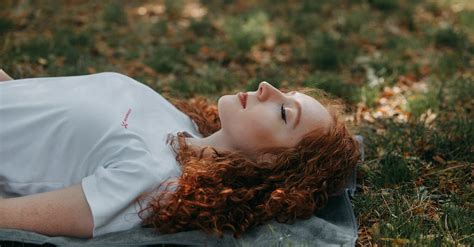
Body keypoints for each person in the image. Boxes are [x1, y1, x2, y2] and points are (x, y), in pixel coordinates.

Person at [0, 71, 360, 239]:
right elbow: (35, 109)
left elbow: (10, 215)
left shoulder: (155, 180)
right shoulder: (180, 122)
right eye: (287, 93)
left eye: (284, 113)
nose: (268, 88)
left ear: (272, 163)